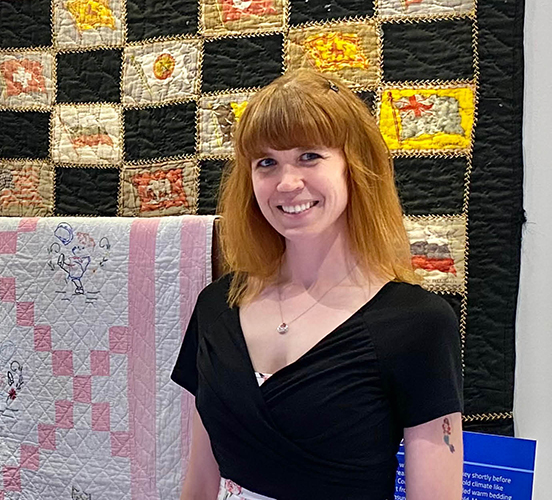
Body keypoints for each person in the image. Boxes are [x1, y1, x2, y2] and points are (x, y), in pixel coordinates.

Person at [172, 70, 463, 499]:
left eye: (309, 155)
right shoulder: (217, 305)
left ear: (354, 167)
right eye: (266, 162)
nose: (287, 183)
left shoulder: (418, 324)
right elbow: (199, 478)